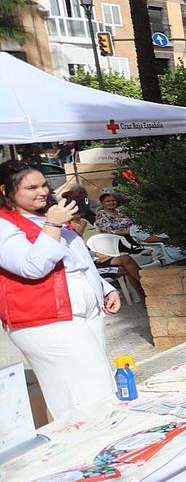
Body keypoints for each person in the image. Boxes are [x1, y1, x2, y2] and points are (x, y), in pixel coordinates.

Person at [0, 161, 119, 420]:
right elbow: (31, 267)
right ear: (5, 190)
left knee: (92, 386)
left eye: (44, 184)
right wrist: (52, 226)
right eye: (31, 187)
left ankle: (97, 442)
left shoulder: (48, 216)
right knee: (89, 392)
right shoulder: (5, 224)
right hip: (45, 318)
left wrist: (104, 287)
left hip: (83, 311)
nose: (42, 192)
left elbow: (77, 258)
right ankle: (94, 444)